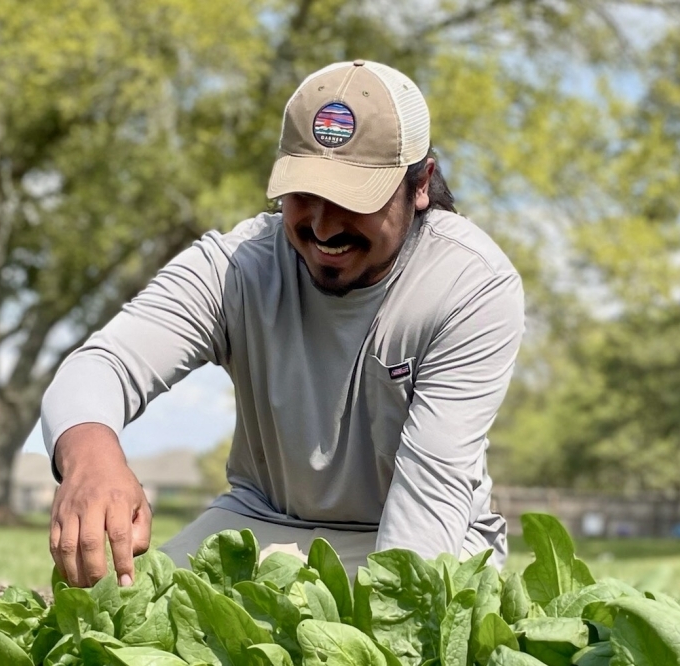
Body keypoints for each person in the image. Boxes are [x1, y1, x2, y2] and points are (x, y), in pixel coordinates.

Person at [42, 59, 525, 588]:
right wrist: (91, 459)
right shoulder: (239, 266)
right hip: (263, 525)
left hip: (421, 531)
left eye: (351, 199)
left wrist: (384, 623)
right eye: (304, 193)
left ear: (421, 184)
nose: (322, 224)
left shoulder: (470, 286)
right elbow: (101, 366)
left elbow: (430, 499)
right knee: (120, 612)